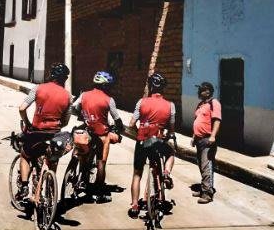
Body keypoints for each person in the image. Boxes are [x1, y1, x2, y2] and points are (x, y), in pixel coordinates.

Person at [15, 63, 72, 201]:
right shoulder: (68, 96)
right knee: (53, 160)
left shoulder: (38, 88)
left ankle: (24, 186)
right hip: (54, 134)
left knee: (25, 155)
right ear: (65, 79)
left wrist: (28, 123)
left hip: (36, 133)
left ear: (50, 75)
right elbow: (65, 122)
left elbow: (22, 108)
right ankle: (51, 192)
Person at [127, 72, 176, 218]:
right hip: (158, 141)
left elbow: (131, 124)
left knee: (137, 174)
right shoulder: (170, 106)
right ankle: (166, 173)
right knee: (170, 153)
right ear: (163, 88)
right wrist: (168, 135)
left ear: (150, 86)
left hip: (142, 141)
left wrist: (138, 134)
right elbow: (171, 130)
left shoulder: (141, 102)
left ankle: (135, 206)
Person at [71, 71, 124, 203]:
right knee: (101, 162)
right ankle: (99, 194)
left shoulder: (84, 95)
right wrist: (120, 129)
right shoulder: (109, 100)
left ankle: (81, 179)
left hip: (87, 131)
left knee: (83, 154)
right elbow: (117, 119)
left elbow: (74, 108)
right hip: (101, 135)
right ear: (106, 86)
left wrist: (83, 115)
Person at [193, 81, 222, 204]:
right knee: (201, 165)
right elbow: (197, 120)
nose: (199, 92)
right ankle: (204, 188)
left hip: (207, 139)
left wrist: (213, 136)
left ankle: (207, 194)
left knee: (206, 166)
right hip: (199, 139)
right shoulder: (201, 105)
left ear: (208, 92)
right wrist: (194, 137)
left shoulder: (214, 103)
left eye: (201, 90)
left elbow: (217, 120)